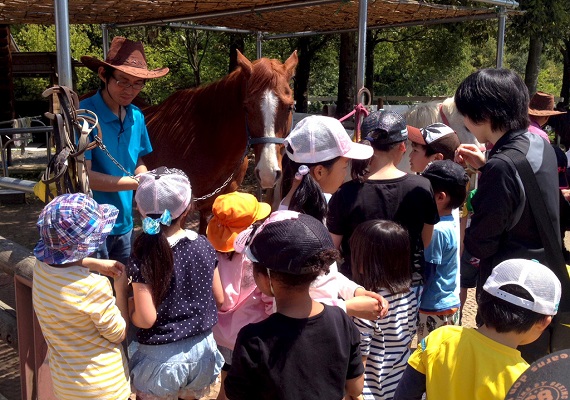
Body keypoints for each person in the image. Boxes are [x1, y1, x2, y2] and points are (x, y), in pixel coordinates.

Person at [453, 68, 565, 360]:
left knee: (503, 369)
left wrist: (463, 279)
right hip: (543, 273)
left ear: (484, 115)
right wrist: (488, 164)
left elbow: (483, 238)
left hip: (510, 289)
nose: (465, 121)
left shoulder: (501, 167)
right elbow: (526, 192)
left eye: (466, 114)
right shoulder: (542, 145)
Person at [224, 210, 365, 400]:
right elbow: (355, 388)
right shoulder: (341, 320)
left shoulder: (253, 338)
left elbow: (237, 395)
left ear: (266, 278)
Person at [393, 258, 562, 400]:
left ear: (482, 298)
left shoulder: (441, 338)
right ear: (544, 322)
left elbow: (405, 395)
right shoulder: (526, 380)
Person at [127, 167, 223, 400]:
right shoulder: (203, 245)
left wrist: (130, 309)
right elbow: (219, 299)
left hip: (160, 362)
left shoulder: (142, 253)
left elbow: (146, 318)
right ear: (188, 208)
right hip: (202, 353)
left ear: (140, 209)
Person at [281, 115, 388, 318]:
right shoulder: (295, 225)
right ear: (320, 171)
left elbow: (325, 275)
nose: (345, 173)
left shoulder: (312, 206)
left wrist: (354, 290)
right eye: (344, 165)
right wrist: (348, 307)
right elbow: (295, 299)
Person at [32, 193, 131, 400]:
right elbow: (118, 334)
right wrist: (120, 289)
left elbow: (62, 260)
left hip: (66, 385)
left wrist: (95, 263)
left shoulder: (40, 269)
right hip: (105, 387)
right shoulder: (94, 287)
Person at [80, 36, 169, 265]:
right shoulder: (84, 116)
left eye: (137, 83)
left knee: (123, 287)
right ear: (103, 74)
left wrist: (145, 177)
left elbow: (136, 158)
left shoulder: (136, 115)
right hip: (92, 225)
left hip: (125, 222)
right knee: (97, 291)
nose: (130, 90)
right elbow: (84, 177)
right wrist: (137, 183)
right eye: (123, 81)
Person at [327, 110, 439, 287]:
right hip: (406, 287)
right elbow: (425, 241)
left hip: (359, 289)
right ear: (403, 146)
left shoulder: (345, 193)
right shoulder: (422, 187)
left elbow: (332, 248)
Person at [206, 191, 273, 400]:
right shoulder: (257, 260)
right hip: (252, 336)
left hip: (219, 335)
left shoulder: (209, 253)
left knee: (227, 379)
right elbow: (268, 298)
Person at [349, 220, 417, 400]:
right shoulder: (409, 294)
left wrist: (354, 394)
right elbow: (407, 339)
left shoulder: (367, 305)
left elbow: (360, 357)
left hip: (371, 391)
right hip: (398, 384)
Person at [416, 160, 468, 341]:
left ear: (440, 197)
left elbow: (428, 272)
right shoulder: (449, 222)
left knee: (429, 354)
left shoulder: (436, 230)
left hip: (434, 306)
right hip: (447, 303)